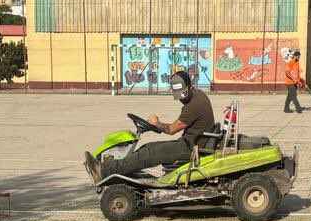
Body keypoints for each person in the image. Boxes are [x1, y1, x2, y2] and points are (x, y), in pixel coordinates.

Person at [88, 70, 216, 180]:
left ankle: (104, 171)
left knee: (149, 153)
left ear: (189, 86)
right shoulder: (198, 94)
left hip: (190, 148)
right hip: (191, 143)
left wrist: (157, 123)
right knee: (148, 147)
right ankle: (117, 168)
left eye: (182, 94)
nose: (181, 98)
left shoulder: (194, 105)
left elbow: (171, 129)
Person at [283, 49, 306, 113]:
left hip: (294, 82)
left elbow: (296, 74)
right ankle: (298, 109)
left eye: (299, 57)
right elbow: (287, 73)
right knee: (294, 95)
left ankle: (286, 109)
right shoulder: (290, 62)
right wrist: (294, 79)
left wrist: (301, 80)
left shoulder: (297, 63)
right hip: (289, 82)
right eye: (298, 56)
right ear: (295, 56)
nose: (298, 58)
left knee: (290, 96)